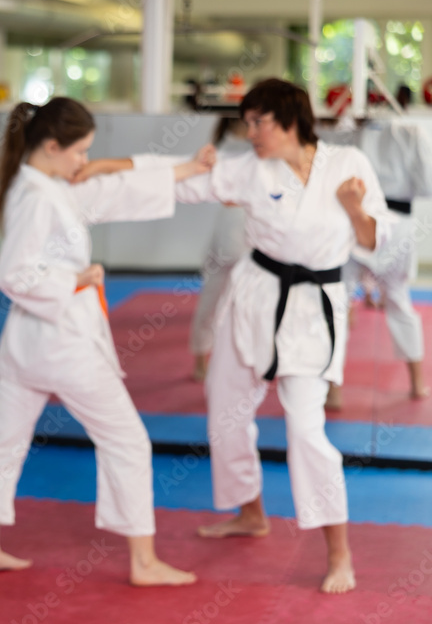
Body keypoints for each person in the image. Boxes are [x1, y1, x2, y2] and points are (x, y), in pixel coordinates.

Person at [0, 97, 207, 587]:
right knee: (127, 440)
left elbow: (114, 190)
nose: (84, 160)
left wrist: (185, 169)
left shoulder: (43, 186)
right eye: (79, 151)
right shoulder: (38, 197)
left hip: (29, 346)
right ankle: (143, 562)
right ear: (52, 146)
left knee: (6, 441)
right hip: (63, 344)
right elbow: (12, 273)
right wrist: (78, 278)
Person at [169, 78, 396, 594]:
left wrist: (354, 208)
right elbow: (186, 184)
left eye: (259, 122)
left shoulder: (348, 164)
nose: (250, 132)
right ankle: (250, 512)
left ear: (290, 119)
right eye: (247, 122)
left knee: (306, 430)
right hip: (253, 295)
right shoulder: (251, 168)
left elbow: (373, 241)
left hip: (313, 308)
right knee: (225, 411)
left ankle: (338, 551)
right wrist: (107, 177)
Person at [326, 120, 432, 407]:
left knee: (338, 301)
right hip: (396, 223)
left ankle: (333, 390)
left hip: (357, 217)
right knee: (398, 299)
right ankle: (417, 383)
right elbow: (427, 185)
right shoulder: (413, 132)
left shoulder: (352, 127)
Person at [190, 116, 253, 381]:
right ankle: (201, 358)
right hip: (230, 234)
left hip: (251, 234)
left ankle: (239, 362)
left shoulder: (259, 147)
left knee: (246, 307)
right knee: (213, 301)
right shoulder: (225, 148)